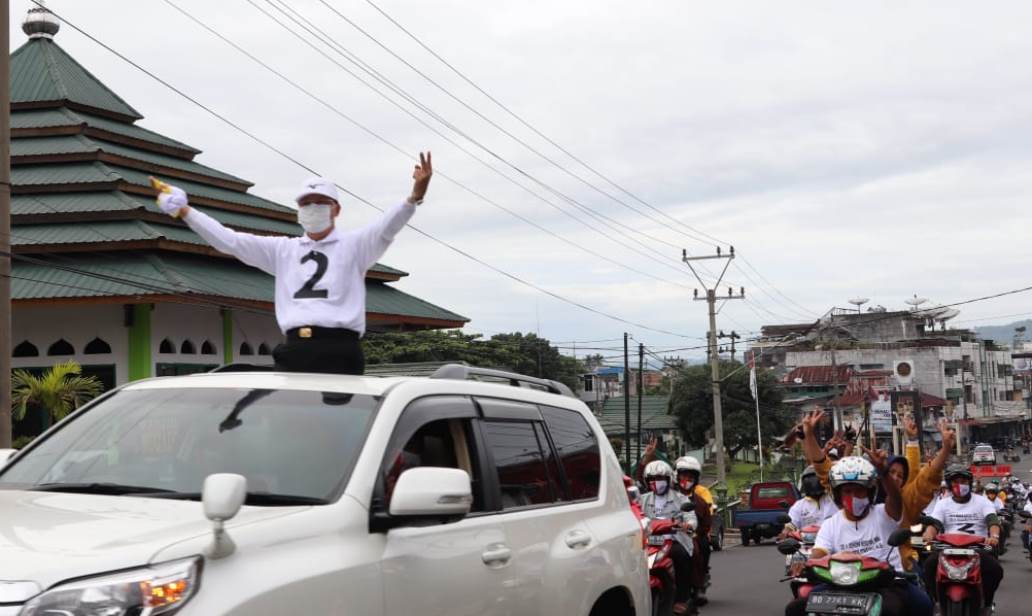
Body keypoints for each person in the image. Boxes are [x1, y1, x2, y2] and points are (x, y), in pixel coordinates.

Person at [150, 152, 433, 375]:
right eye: (306, 203)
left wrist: (414, 196)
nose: (313, 208)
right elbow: (229, 240)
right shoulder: (282, 249)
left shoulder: (355, 245)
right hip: (296, 347)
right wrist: (186, 212)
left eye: (321, 202)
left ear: (337, 209)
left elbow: (386, 226)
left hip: (341, 350)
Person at [784, 454, 928, 616]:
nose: (853, 496)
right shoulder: (831, 524)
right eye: (847, 491)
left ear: (870, 491)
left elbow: (895, 498)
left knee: (921, 604)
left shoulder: (884, 513)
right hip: (841, 585)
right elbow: (820, 552)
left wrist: (884, 472)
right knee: (796, 609)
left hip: (887, 584)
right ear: (838, 494)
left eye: (859, 491)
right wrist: (806, 563)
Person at [921, 466, 1004, 608]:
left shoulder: (983, 501)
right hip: (947, 549)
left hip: (977, 549)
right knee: (928, 566)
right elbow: (935, 525)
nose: (960, 485)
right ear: (949, 484)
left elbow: (992, 521)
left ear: (969, 483)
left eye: (963, 481)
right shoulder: (943, 504)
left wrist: (994, 536)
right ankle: (937, 602)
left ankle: (986, 604)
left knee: (995, 570)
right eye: (955, 481)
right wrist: (928, 535)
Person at [639, 460, 695, 615]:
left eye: (660, 479)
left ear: (669, 479)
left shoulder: (681, 499)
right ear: (647, 481)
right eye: (652, 479)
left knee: (681, 557)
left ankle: (681, 599)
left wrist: (688, 525)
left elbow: (691, 518)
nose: (656, 483)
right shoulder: (642, 499)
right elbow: (634, 514)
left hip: (673, 539)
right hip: (648, 541)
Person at [674, 456, 714, 606]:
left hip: (693, 536)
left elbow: (705, 523)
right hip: (669, 536)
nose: (687, 479)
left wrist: (697, 533)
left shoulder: (700, 501)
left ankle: (699, 584)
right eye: (684, 475)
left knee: (702, 547)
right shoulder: (668, 495)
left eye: (690, 477)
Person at [780, 465, 837, 538]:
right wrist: (785, 533)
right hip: (807, 543)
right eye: (810, 479)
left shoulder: (834, 500)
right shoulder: (799, 505)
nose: (813, 482)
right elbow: (791, 524)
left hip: (832, 540)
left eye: (816, 478)